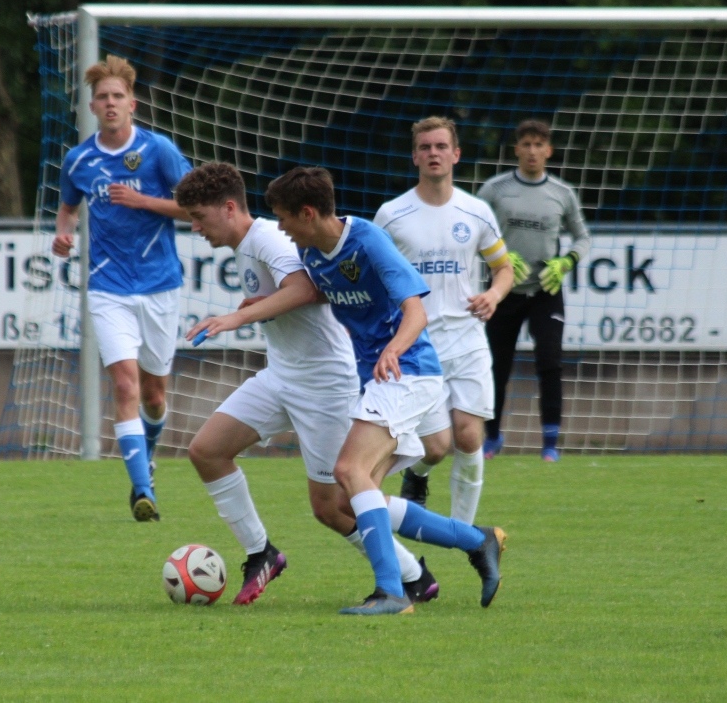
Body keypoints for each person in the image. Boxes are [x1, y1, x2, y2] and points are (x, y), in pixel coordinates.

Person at [178, 162, 438, 607]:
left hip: (323, 382)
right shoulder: (248, 244)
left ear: (227, 208)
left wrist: (238, 316)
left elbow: (306, 289)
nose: (196, 227)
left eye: (200, 217)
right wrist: (260, 304)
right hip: (282, 374)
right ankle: (262, 552)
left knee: (334, 506)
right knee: (207, 451)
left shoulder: (268, 238)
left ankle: (414, 575)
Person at [265, 166, 506, 616]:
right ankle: (479, 540)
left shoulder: (369, 239)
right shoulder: (315, 256)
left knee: (348, 469)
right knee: (349, 500)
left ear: (308, 212)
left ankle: (392, 593)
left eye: (283, 217)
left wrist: (393, 350)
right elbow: (316, 294)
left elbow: (415, 311)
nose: (279, 228)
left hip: (406, 371)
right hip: (381, 379)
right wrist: (255, 309)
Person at [53, 55, 192, 520]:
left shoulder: (159, 151)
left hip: (159, 285)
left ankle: (146, 458)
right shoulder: (79, 160)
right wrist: (64, 232)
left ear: (132, 104)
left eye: (118, 97)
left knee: (155, 394)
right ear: (92, 106)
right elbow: (68, 206)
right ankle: (141, 489)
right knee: (126, 385)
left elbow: (198, 207)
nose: (110, 103)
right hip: (107, 286)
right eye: (102, 98)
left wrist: (143, 200)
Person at [376, 117, 520, 523]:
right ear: (414, 156)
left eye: (441, 146)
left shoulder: (475, 211)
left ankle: (464, 532)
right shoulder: (392, 214)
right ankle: (418, 476)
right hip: (420, 345)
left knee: (471, 436)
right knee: (436, 447)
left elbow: (504, 268)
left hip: (468, 338)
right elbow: (376, 273)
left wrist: (493, 294)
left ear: (455, 154)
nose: (433, 153)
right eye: (425, 147)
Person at [477, 119, 592, 462]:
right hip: (503, 289)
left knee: (549, 361)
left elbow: (583, 237)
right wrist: (499, 255)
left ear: (548, 151)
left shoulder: (562, 193)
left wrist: (566, 261)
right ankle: (493, 437)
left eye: (538, 145)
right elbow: (473, 232)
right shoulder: (495, 190)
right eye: (525, 144)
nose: (531, 151)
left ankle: (550, 445)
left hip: (545, 289)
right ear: (516, 149)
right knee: (497, 365)